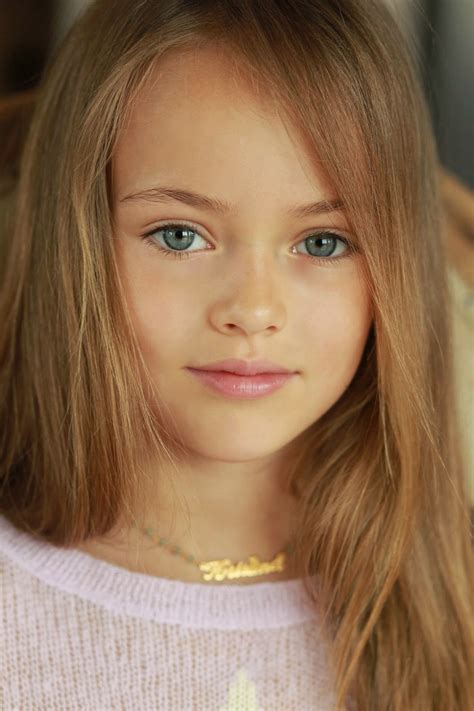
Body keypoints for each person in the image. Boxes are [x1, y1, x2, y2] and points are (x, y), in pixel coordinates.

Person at [0, 1, 472, 709]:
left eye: (322, 242)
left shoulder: (449, 600)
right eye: (181, 235)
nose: (253, 310)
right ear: (76, 242)